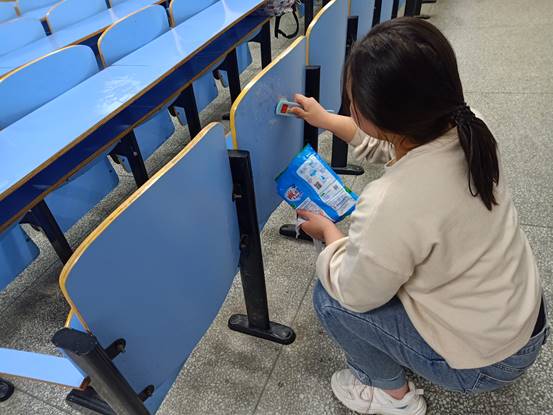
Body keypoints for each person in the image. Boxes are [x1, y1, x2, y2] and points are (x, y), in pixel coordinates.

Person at [290, 17, 547, 415]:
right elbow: (386, 145)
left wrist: (329, 236)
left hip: (488, 363)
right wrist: (324, 119)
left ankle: (392, 396)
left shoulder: (392, 201)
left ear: (378, 116)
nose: (350, 108)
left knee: (331, 297)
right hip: (525, 321)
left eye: (353, 103)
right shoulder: (470, 126)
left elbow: (356, 292)